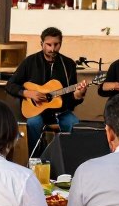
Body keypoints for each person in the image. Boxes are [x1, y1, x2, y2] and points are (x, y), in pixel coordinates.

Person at [6, 27, 89, 157]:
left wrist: (78, 95)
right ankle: (35, 159)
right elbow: (10, 85)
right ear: (42, 44)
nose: (52, 49)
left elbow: (70, 101)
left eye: (56, 44)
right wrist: (28, 93)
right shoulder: (30, 62)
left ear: (61, 43)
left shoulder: (68, 65)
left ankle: (68, 159)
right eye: (49, 45)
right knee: (34, 123)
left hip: (60, 112)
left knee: (74, 123)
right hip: (36, 111)